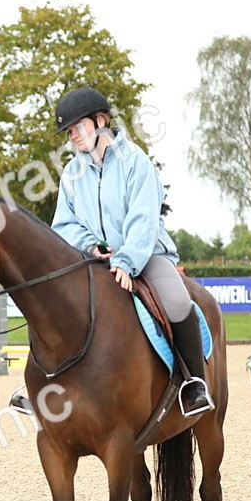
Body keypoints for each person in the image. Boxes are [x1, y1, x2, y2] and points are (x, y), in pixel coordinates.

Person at [51, 87, 213, 417]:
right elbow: (63, 224)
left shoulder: (136, 161)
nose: (73, 136)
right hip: (94, 258)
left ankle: (195, 383)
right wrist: (89, 244)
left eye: (77, 127)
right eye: (68, 132)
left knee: (178, 300)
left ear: (100, 121)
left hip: (146, 254)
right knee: (56, 302)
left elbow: (144, 218)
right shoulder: (71, 173)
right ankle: (45, 382)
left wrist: (126, 260)